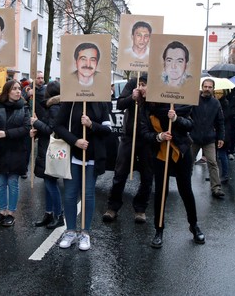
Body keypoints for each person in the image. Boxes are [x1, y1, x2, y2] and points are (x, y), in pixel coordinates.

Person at [139, 103, 206, 248]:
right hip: (160, 153)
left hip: (181, 151)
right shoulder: (146, 108)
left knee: (186, 190)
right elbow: (143, 133)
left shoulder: (181, 105)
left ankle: (194, 225)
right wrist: (159, 136)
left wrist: (176, 118)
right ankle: (159, 229)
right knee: (161, 192)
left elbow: (190, 125)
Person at [54, 100, 112, 251]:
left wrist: (91, 124)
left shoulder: (101, 102)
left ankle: (85, 233)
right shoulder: (70, 102)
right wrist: (75, 141)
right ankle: (70, 231)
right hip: (73, 156)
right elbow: (58, 126)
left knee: (88, 195)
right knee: (70, 195)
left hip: (93, 156)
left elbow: (107, 130)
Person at [103, 75, 154, 223]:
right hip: (129, 136)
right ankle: (112, 207)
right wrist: (132, 97)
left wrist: (147, 96)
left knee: (147, 176)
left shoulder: (157, 80)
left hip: (148, 138)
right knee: (120, 173)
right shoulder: (133, 81)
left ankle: (140, 209)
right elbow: (120, 104)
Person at [0, 80, 31, 227]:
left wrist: (6, 133)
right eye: (14, 89)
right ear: (7, 92)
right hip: (0, 150)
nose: (18, 91)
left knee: (12, 183)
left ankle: (11, 213)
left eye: (19, 89)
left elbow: (25, 129)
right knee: (0, 183)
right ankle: (2, 211)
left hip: (17, 150)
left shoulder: (24, 108)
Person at [31, 81, 64, 229]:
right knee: (47, 183)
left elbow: (52, 129)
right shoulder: (53, 106)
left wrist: (36, 123)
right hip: (47, 149)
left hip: (51, 151)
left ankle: (58, 215)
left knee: (50, 183)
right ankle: (49, 213)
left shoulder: (55, 107)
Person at [190, 79, 225, 198]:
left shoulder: (216, 103)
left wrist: (221, 137)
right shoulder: (194, 100)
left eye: (210, 87)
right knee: (189, 162)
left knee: (212, 163)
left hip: (209, 139)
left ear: (213, 89)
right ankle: (185, 185)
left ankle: (216, 188)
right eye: (205, 86)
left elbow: (220, 121)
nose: (207, 89)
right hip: (193, 138)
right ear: (202, 87)